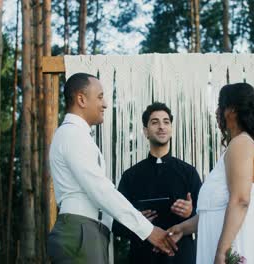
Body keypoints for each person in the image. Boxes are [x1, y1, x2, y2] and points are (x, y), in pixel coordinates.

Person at [47, 73, 177, 263]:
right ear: (81, 99)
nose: (105, 104)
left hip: (87, 231)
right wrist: (147, 230)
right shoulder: (72, 135)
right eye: (100, 97)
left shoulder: (77, 135)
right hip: (81, 231)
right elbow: (100, 190)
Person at [168, 83, 254, 264]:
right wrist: (182, 228)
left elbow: (240, 201)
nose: (217, 111)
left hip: (238, 244)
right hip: (228, 240)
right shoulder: (240, 145)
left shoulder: (241, 144)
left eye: (220, 106)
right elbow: (215, 211)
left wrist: (222, 252)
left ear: (231, 110)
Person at [112, 102, 202, 264]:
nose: (161, 126)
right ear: (146, 131)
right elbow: (116, 226)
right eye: (155, 122)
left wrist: (191, 212)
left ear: (171, 130)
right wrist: (136, 220)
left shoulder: (188, 172)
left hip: (181, 258)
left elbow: (206, 218)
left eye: (166, 122)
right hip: (142, 258)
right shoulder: (130, 176)